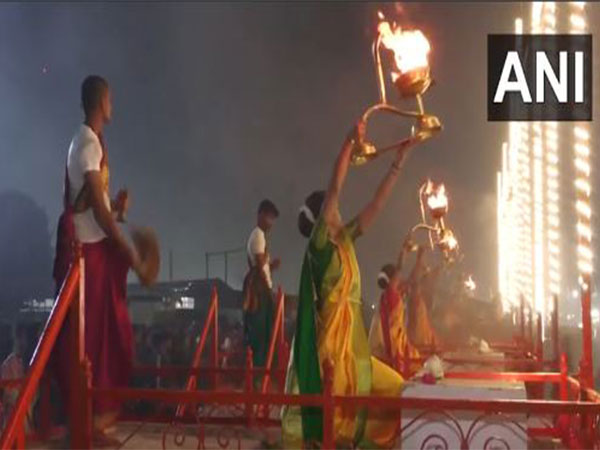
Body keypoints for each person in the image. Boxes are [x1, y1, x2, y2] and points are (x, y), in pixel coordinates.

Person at [282, 120, 416, 449]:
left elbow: (377, 204)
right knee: (337, 428)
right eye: (333, 209)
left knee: (398, 389)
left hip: (352, 351)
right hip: (331, 354)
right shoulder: (320, 248)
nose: (340, 211)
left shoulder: (346, 240)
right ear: (321, 220)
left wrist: (400, 161)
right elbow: (335, 190)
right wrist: (347, 143)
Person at [52, 75, 141, 443]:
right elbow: (97, 215)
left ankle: (97, 416)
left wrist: (116, 209)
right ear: (101, 101)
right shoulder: (87, 142)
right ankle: (85, 420)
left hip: (94, 246)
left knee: (106, 333)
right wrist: (126, 246)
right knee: (90, 339)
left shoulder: (91, 141)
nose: (112, 104)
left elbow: (97, 207)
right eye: (111, 99)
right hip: (86, 251)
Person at [242, 199, 281, 370]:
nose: (271, 222)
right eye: (269, 217)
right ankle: (257, 375)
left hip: (262, 288)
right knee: (260, 335)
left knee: (265, 334)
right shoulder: (258, 235)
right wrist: (266, 262)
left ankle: (260, 373)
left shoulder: (261, 236)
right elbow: (258, 265)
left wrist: (271, 267)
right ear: (261, 215)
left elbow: (262, 266)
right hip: (259, 291)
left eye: (273, 219)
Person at [368, 259, 420, 376]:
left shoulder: (388, 294)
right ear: (392, 279)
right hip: (393, 342)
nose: (400, 280)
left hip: (392, 339)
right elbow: (409, 279)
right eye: (397, 277)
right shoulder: (392, 295)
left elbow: (410, 279)